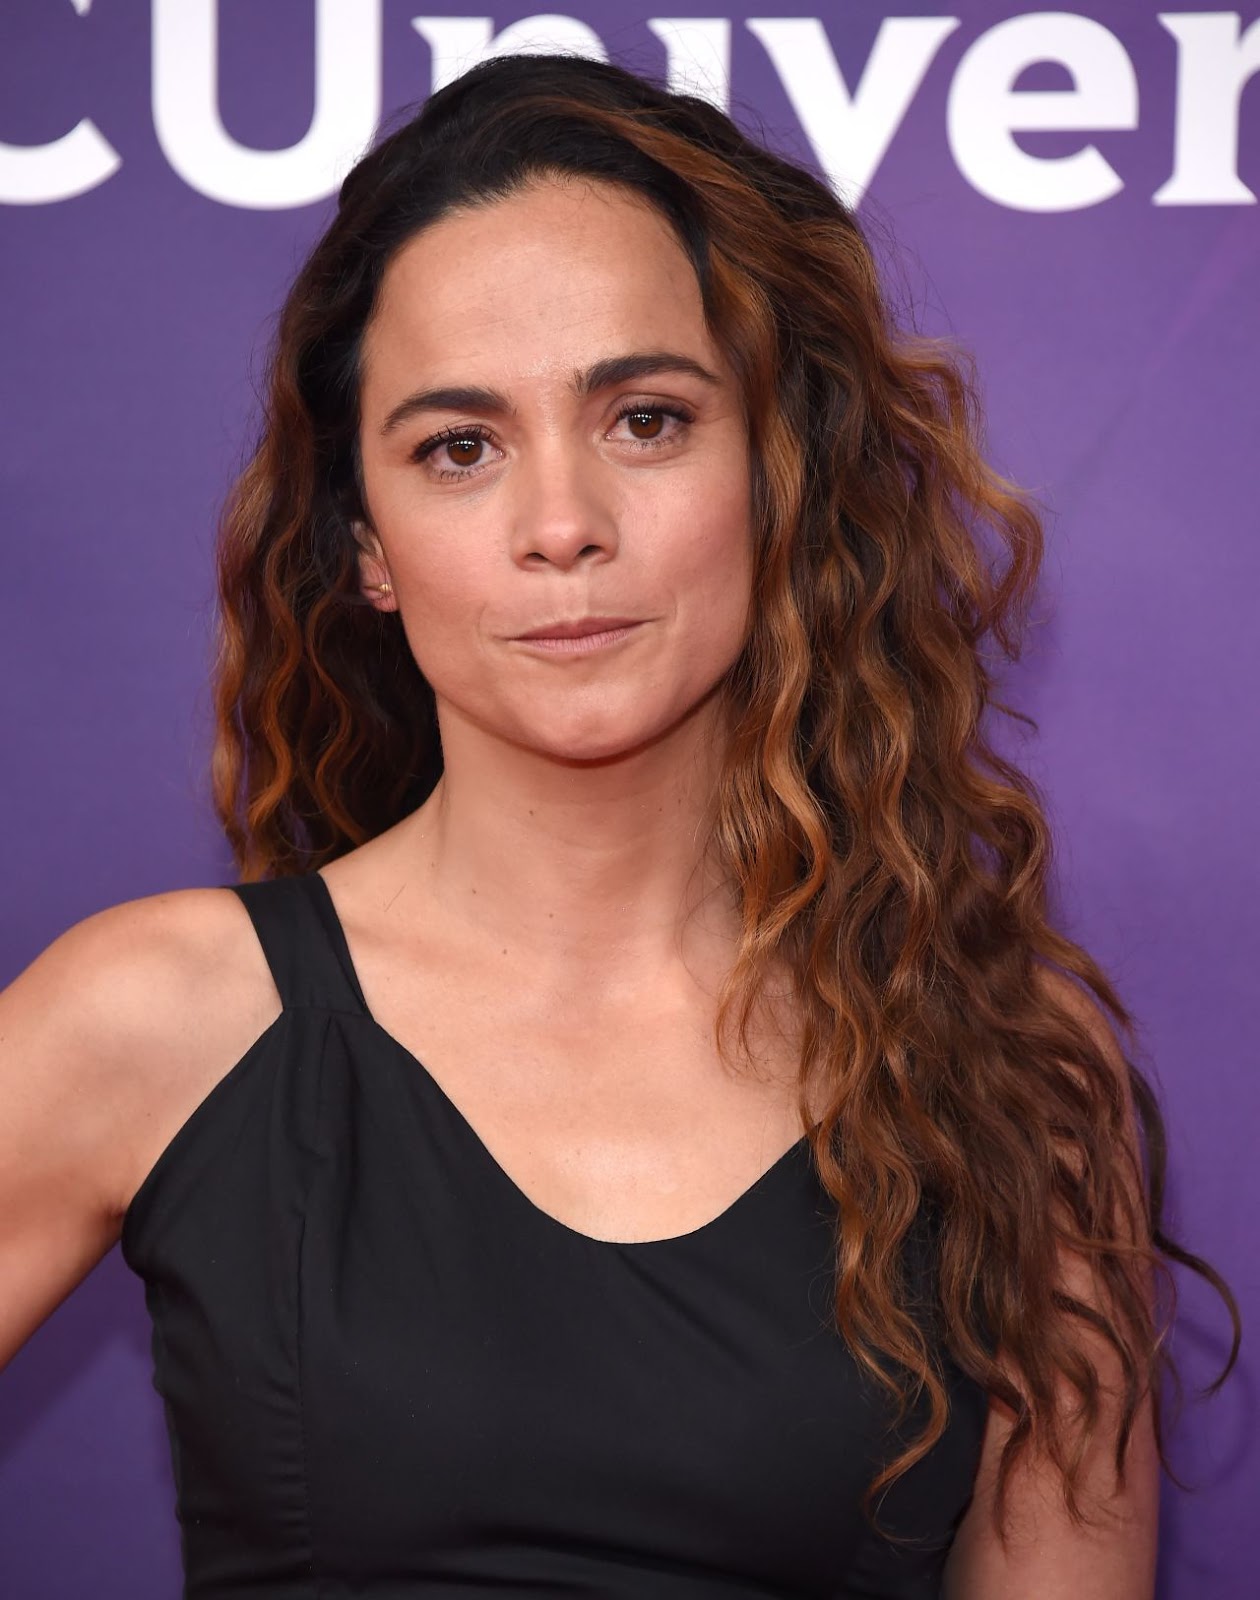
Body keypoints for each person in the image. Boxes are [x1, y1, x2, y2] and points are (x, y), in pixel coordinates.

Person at [0, 50, 1237, 1600]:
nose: (562, 525)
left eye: (646, 419)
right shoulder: (161, 1020)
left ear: (775, 473)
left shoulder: (1007, 1067)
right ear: (367, 544)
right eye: (459, 448)